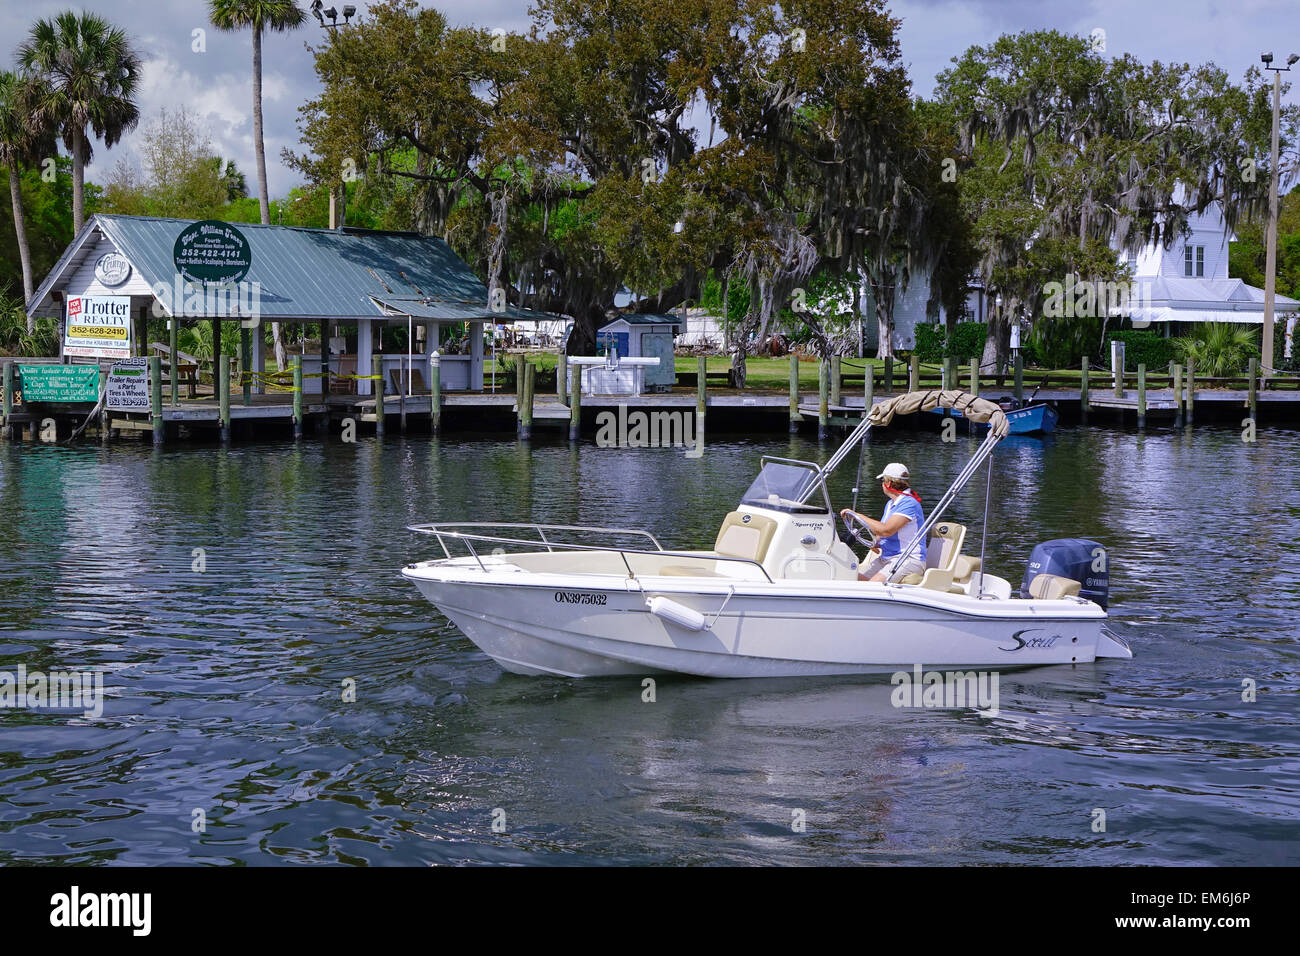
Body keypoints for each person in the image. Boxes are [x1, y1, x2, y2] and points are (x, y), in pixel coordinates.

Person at [840, 463, 927, 582]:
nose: (882, 484)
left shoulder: (909, 503)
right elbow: (880, 535)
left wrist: (857, 515)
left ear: (889, 483)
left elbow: (886, 530)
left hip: (908, 559)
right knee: (852, 579)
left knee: (872, 586)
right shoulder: (891, 504)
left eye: (882, 480)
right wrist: (872, 542)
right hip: (887, 557)